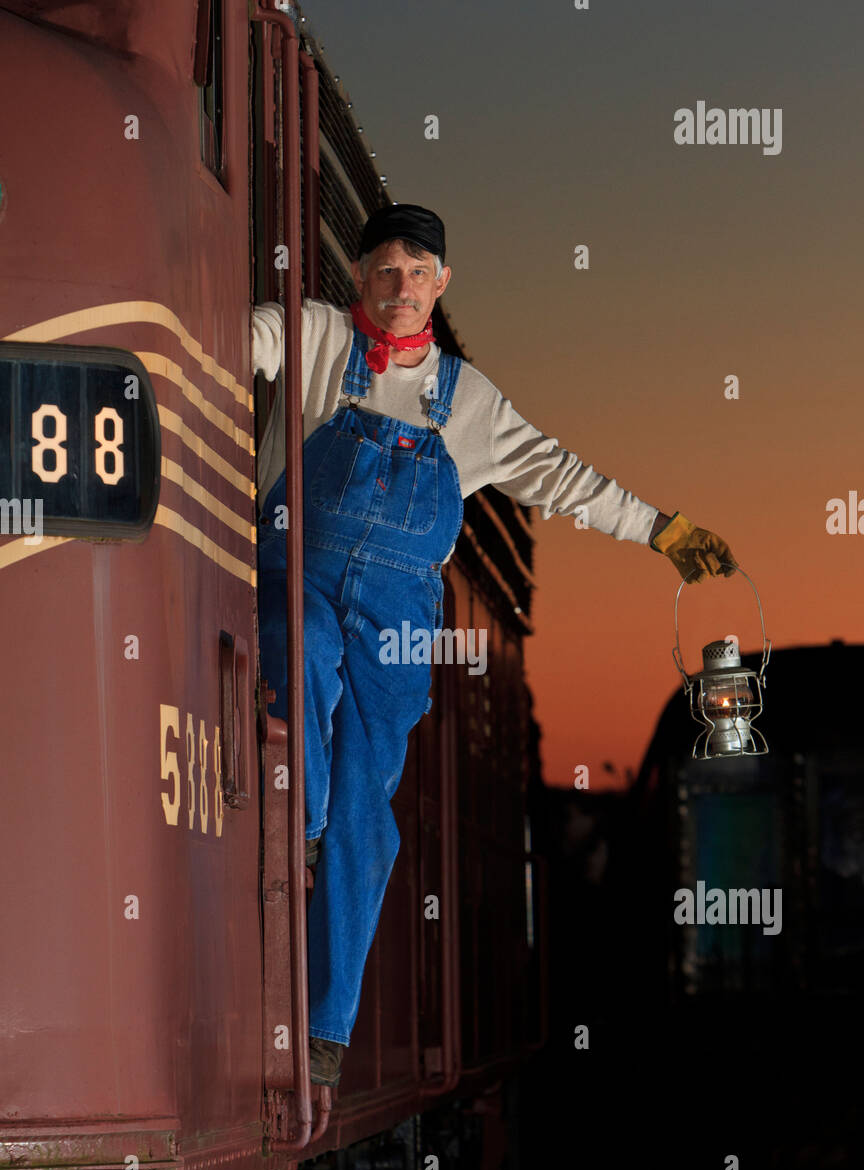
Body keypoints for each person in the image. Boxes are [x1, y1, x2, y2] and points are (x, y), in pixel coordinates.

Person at [253, 204, 736, 1086]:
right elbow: (227, 338)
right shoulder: (313, 336)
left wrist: (660, 529)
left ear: (441, 285)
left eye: (418, 272)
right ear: (359, 279)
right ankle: (304, 824)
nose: (401, 288)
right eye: (385, 271)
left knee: (375, 813)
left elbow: (557, 473)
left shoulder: (467, 402)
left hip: (399, 620)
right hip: (302, 576)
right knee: (297, 643)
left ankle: (324, 1030)